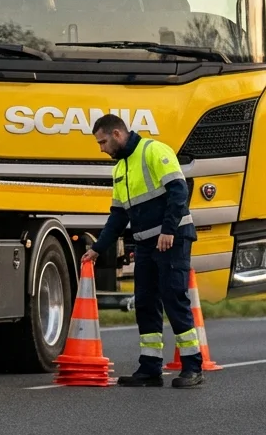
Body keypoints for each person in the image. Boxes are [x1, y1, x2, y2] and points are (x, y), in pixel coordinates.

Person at [80, 114, 204, 389]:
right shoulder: (120, 169)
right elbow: (118, 217)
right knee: (145, 303)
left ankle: (193, 367)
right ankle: (150, 369)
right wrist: (98, 249)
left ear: (116, 134)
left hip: (173, 238)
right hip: (147, 244)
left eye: (102, 142)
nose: (101, 149)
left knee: (174, 298)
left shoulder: (154, 151)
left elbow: (178, 191)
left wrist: (168, 231)